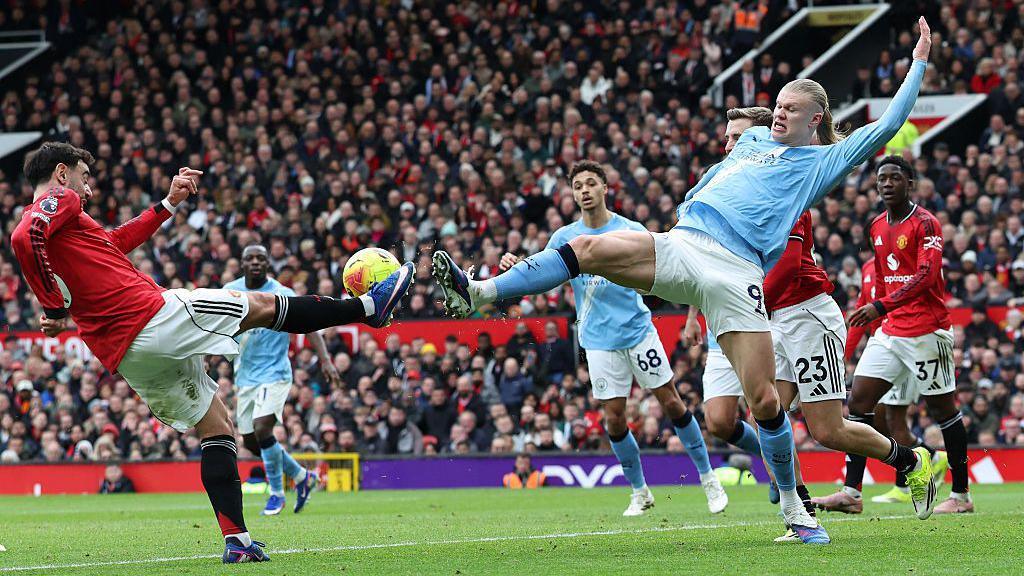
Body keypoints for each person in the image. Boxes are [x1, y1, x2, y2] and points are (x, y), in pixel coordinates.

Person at [434, 18, 936, 542]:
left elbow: (886, 124)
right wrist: (694, 199)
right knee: (584, 247)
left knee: (764, 402)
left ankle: (798, 508)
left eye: (791, 108)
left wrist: (918, 60)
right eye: (779, 104)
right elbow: (716, 174)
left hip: (736, 269)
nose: (780, 111)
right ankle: (479, 293)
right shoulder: (754, 139)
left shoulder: (821, 160)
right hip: (686, 242)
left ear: (817, 119)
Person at [9, 142, 414, 563]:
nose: (87, 188)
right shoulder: (60, 202)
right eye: (83, 176)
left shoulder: (68, 230)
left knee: (217, 424)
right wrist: (52, 307)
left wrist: (168, 204)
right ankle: (368, 308)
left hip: (126, 352)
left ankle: (236, 542)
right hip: (149, 316)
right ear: (61, 173)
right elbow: (24, 235)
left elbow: (113, 243)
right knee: (258, 306)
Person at [499, 160, 728, 517]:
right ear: (573, 194)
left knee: (671, 403)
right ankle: (640, 491)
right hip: (598, 340)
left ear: (606, 188)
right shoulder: (564, 238)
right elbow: (539, 271)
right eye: (578, 186)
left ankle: (708, 478)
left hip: (638, 331)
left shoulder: (630, 230)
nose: (585, 190)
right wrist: (516, 265)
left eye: (591, 183)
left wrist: (690, 315)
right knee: (615, 419)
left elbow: (671, 270)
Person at [813, 155, 971, 515]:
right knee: (859, 403)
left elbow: (928, 276)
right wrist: (879, 314)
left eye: (895, 178)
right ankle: (852, 494)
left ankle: (961, 496)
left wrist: (881, 306)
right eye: (881, 178)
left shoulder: (926, 224)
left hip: (927, 331)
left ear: (909, 183)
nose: (886, 184)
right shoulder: (876, 227)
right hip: (890, 330)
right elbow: (884, 278)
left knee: (943, 410)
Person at [224, 244, 340, 516]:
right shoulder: (229, 290)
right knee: (252, 441)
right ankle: (303, 477)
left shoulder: (282, 294)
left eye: (260, 259)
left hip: (275, 373)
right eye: (250, 258)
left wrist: (325, 359)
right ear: (241, 263)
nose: (255, 263)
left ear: (268, 264)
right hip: (245, 376)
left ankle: (277, 493)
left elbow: (309, 325)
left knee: (264, 430)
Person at [845, 257, 950, 507]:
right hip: (881, 349)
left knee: (894, 421)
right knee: (879, 422)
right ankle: (933, 457)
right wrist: (845, 355)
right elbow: (862, 308)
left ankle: (904, 484)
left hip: (903, 347)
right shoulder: (870, 266)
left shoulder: (909, 263)